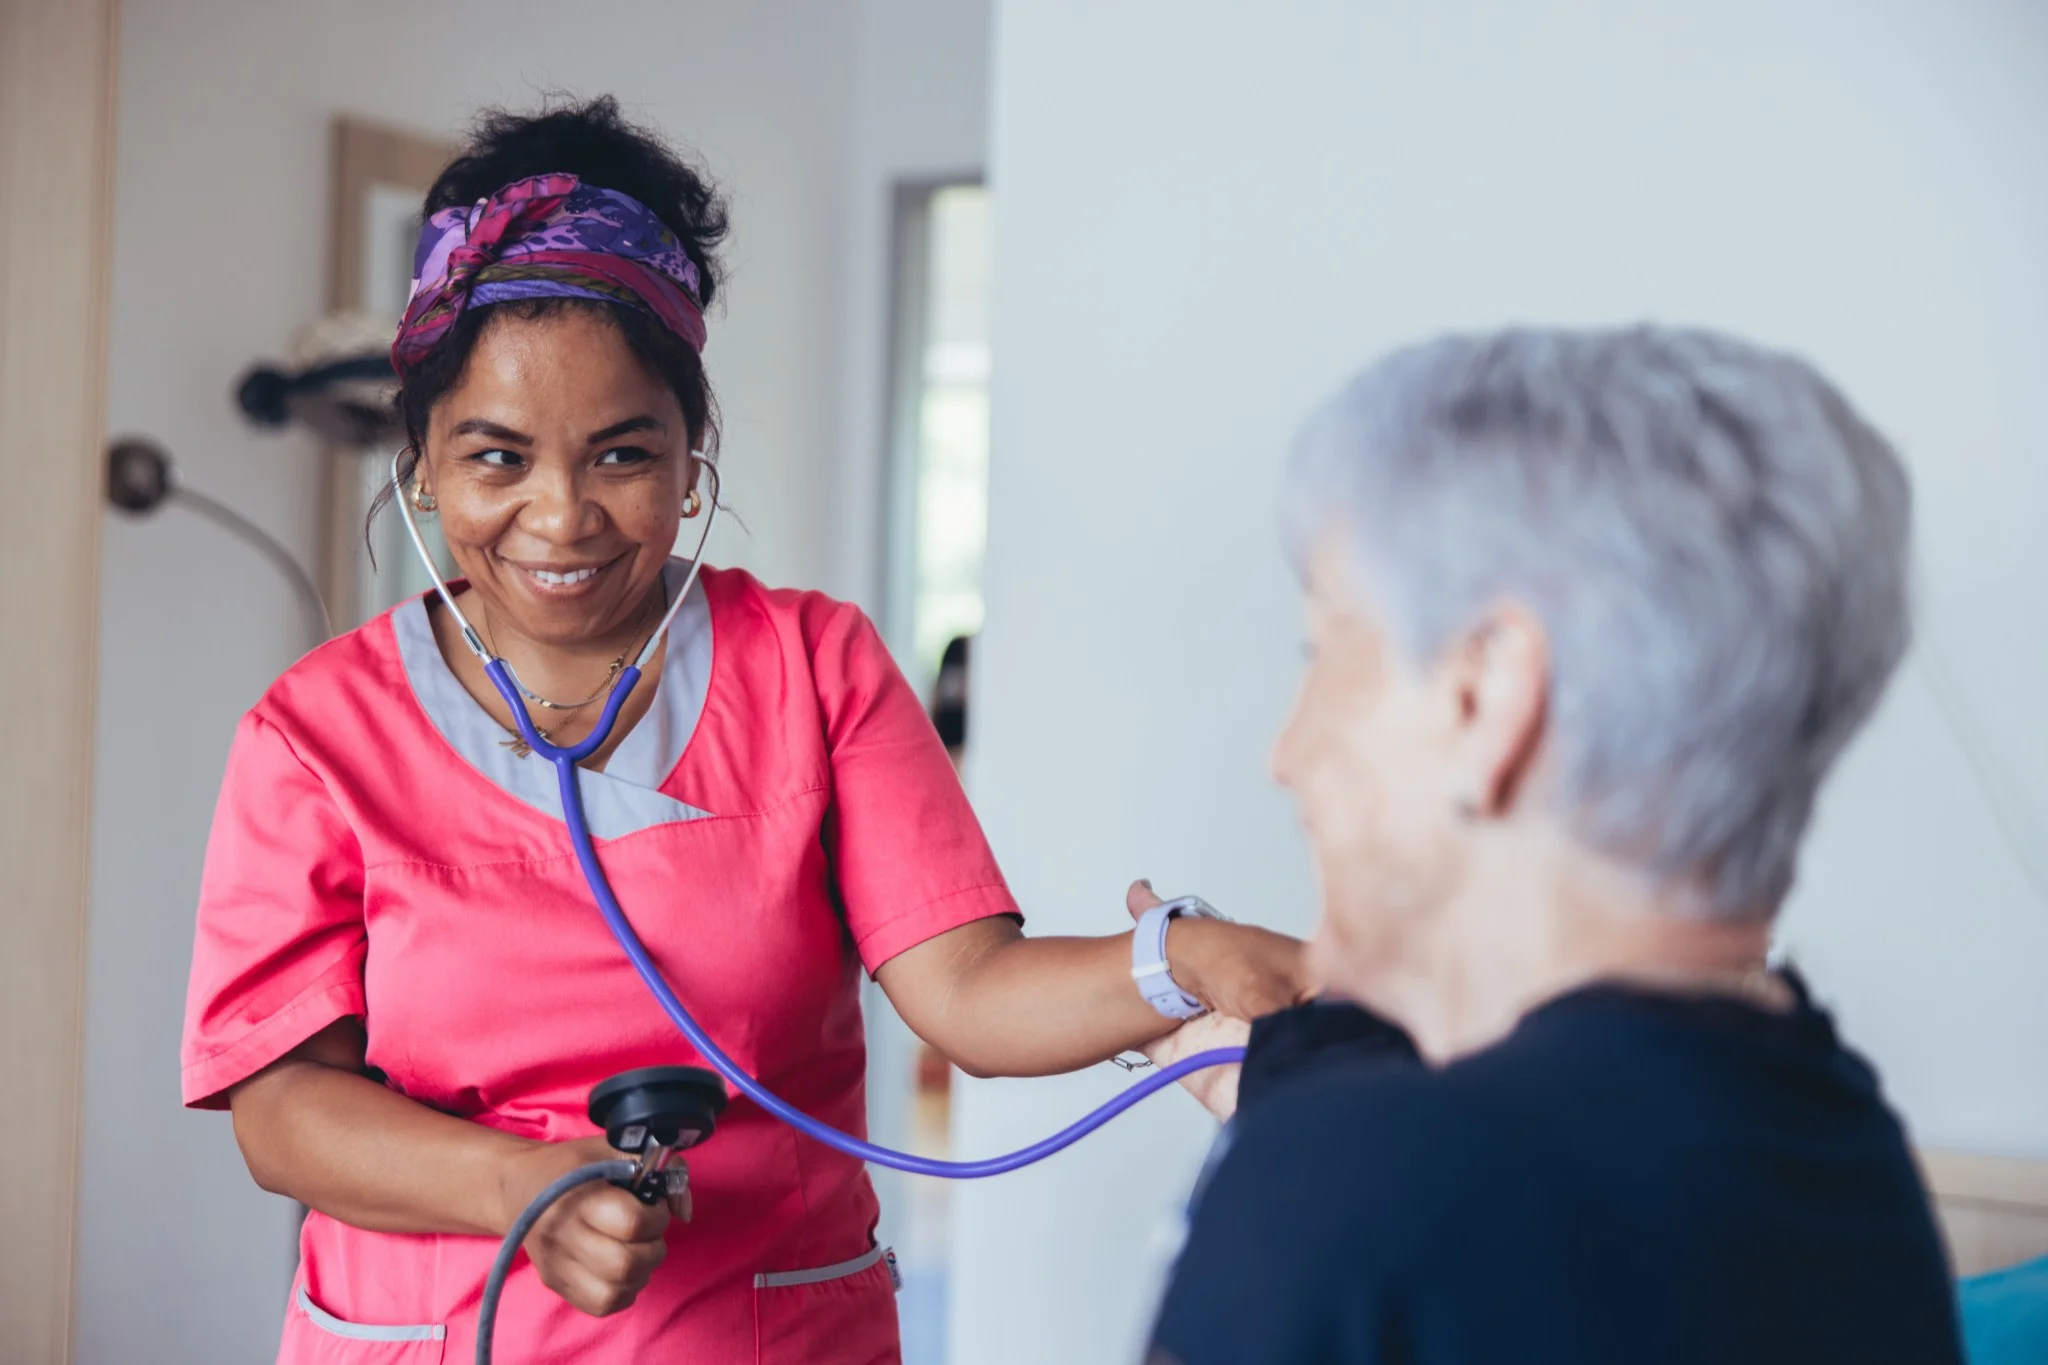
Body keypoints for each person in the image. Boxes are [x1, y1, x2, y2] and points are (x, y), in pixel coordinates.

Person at [180, 97, 1307, 1365]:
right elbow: (279, 1109)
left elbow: (971, 995)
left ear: (690, 452)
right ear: (423, 464)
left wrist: (1186, 960)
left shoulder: (812, 667)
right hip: (438, 1333)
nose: (561, 516)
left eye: (621, 455)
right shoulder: (312, 737)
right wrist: (519, 1189)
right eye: (497, 459)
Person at [1145, 327, 1965, 1364]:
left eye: (1325, 651)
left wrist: (1297, 1163)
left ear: (1487, 698)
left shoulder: (1337, 1193)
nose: (1287, 753)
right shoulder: (1849, 1156)